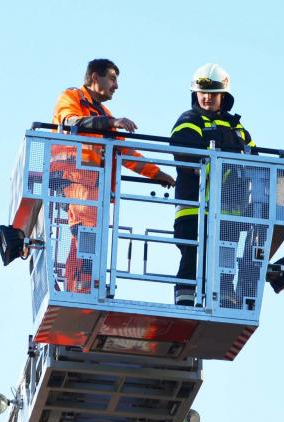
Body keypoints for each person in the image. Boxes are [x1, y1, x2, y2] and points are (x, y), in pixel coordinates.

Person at [51, 58, 175, 293]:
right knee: (86, 231)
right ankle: (83, 285)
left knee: (85, 234)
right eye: (112, 78)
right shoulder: (72, 97)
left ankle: (77, 284)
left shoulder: (103, 111)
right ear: (95, 78)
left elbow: (124, 152)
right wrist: (111, 122)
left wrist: (156, 173)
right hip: (73, 175)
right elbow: (71, 121)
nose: (116, 86)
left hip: (92, 182)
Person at [170, 63, 256, 307]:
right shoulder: (189, 120)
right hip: (194, 208)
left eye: (213, 93)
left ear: (223, 96)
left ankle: (225, 299)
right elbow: (183, 152)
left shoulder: (236, 126)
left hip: (229, 211)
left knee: (225, 259)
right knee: (191, 257)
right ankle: (185, 304)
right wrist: (218, 172)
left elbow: (255, 161)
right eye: (202, 92)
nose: (207, 98)